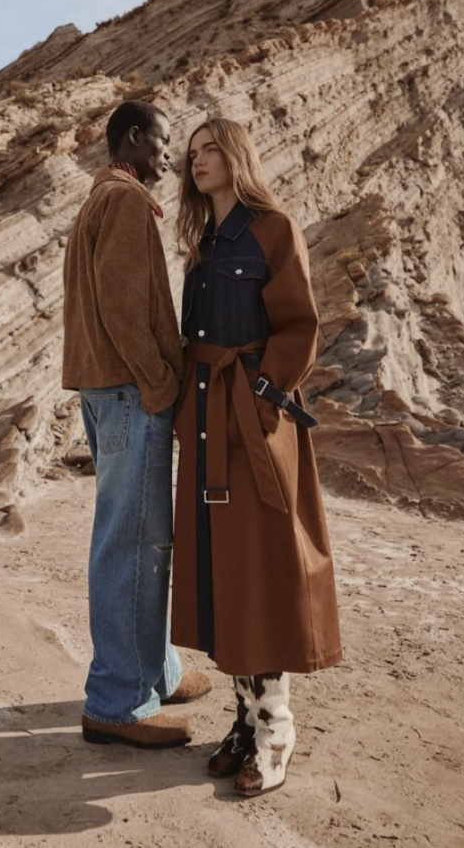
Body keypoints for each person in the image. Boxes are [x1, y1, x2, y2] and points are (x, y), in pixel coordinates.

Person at [170, 116, 342, 796]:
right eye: (190, 153)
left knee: (265, 566)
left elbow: (300, 324)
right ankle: (244, 718)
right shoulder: (200, 246)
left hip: (255, 422)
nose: (198, 160)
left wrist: (264, 398)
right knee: (224, 572)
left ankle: (276, 727)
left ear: (236, 155)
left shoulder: (273, 228)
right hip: (209, 418)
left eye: (210, 149)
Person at [61, 99, 212, 748]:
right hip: (130, 394)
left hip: (111, 391)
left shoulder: (103, 200)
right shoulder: (123, 203)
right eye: (162, 140)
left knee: (143, 538)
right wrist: (160, 385)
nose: (169, 154)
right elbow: (125, 308)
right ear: (132, 138)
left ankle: (155, 671)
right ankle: (119, 704)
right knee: (132, 543)